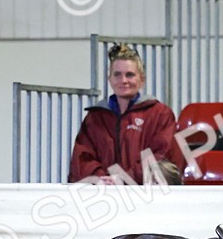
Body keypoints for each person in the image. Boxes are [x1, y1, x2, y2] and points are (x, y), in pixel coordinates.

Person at [69, 44, 184, 184]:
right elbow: (81, 161)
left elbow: (162, 159)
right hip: (103, 195)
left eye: (130, 75)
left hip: (146, 197)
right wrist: (102, 180)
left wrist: (123, 179)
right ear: (109, 79)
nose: (123, 81)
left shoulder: (160, 114)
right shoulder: (95, 118)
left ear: (142, 79)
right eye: (117, 74)